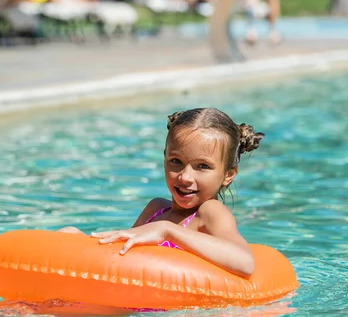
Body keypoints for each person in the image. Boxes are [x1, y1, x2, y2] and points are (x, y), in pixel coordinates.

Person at [59, 108, 265, 278]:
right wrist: (83, 242)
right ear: (165, 157)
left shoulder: (210, 212)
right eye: (176, 162)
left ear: (228, 175)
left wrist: (168, 231)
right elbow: (122, 259)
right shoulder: (156, 209)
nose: (185, 177)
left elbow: (245, 263)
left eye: (202, 166)